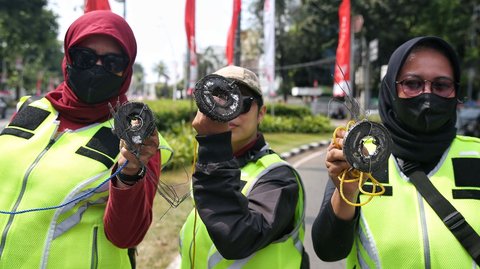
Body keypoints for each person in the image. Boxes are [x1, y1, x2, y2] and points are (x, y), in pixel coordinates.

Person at [0, 10, 172, 268]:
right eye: (85, 58)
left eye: (113, 63)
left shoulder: (138, 140)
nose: (97, 69)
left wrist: (130, 171)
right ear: (68, 58)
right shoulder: (30, 110)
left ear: (126, 71)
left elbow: (127, 235)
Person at [311, 36, 480, 268]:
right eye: (413, 84)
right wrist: (346, 192)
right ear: (391, 88)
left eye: (441, 86)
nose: (427, 96)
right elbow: (328, 250)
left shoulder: (476, 157)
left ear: (455, 92)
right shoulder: (361, 156)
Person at [179, 65, 309, 268]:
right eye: (219, 100)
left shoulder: (279, 177)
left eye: (241, 103)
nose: (229, 112)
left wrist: (214, 145)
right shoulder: (210, 165)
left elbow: (237, 238)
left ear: (261, 113)